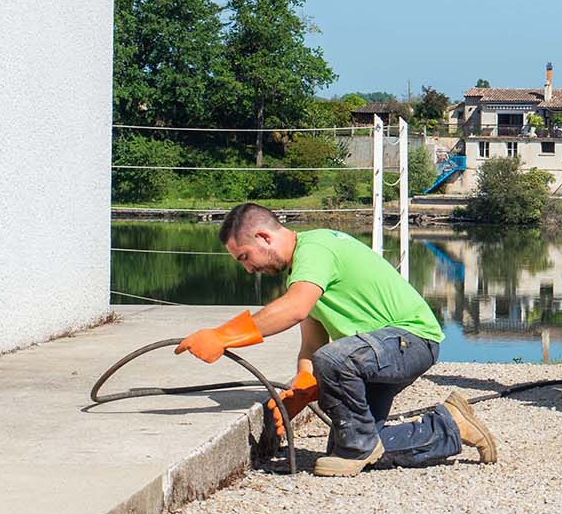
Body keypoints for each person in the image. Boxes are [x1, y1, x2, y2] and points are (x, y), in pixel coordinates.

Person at [177, 203, 497, 477]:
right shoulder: (303, 272)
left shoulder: (314, 249)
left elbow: (294, 309)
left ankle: (359, 447)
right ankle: (451, 425)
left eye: (244, 256)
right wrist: (303, 385)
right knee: (348, 443)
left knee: (335, 367)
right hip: (381, 350)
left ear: (264, 237)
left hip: (410, 340)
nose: (247, 269)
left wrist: (223, 336)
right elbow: (312, 344)